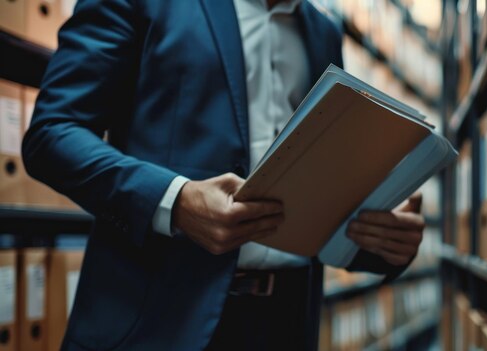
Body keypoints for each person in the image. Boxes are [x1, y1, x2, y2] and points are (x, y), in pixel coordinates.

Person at [22, 0, 426, 350]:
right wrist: (176, 202)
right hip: (158, 323)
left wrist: (382, 240)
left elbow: (311, 192)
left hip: (286, 325)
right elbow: (52, 134)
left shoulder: (322, 31)